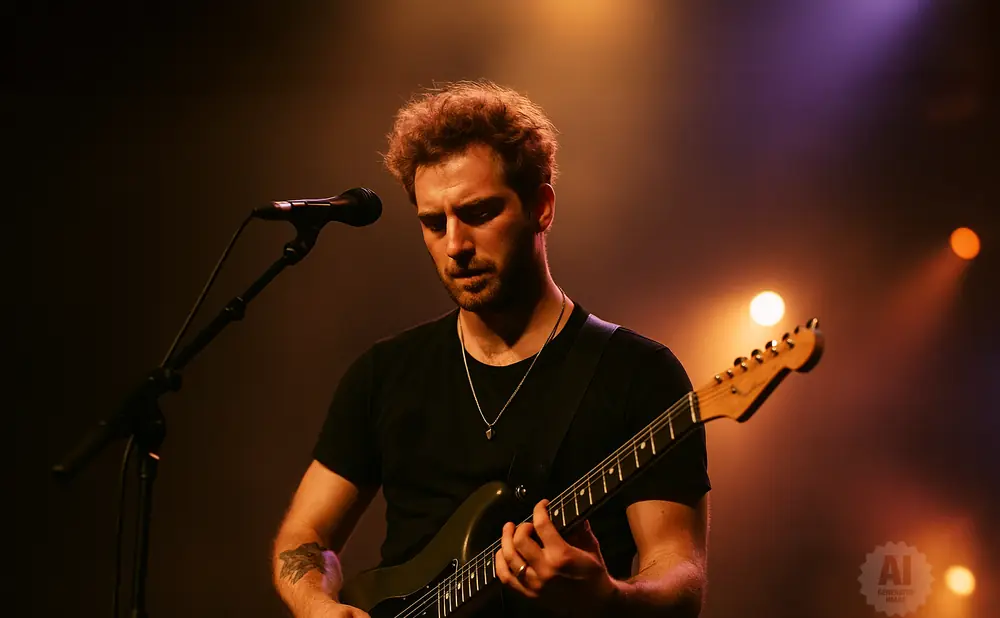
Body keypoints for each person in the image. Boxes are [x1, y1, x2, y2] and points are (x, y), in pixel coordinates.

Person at [271, 80, 711, 618]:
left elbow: (680, 574)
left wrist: (609, 599)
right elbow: (305, 533)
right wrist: (315, 604)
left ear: (542, 207)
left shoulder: (639, 373)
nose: (454, 245)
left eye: (478, 213)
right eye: (434, 223)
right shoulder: (383, 374)